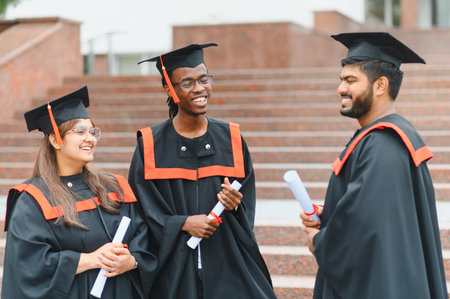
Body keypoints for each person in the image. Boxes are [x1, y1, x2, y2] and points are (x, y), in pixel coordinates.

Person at [300, 32, 448, 299]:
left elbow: (362, 226)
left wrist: (319, 242)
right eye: (341, 80)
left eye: (350, 80)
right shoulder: (386, 137)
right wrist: (330, 211)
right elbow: (378, 211)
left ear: (380, 85)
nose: (341, 89)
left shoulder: (382, 144)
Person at [128, 43, 277, 299]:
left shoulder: (231, 138)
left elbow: (246, 206)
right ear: (169, 90)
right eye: (187, 83)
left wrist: (234, 204)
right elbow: (140, 213)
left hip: (227, 262)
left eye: (203, 79)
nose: (199, 88)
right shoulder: (151, 144)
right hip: (174, 271)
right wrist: (183, 223)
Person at [2, 86, 157, 299]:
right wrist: (91, 260)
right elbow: (29, 266)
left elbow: (143, 237)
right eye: (80, 132)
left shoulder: (114, 187)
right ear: (56, 140)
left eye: (93, 132)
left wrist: (132, 260)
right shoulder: (33, 199)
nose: (90, 139)